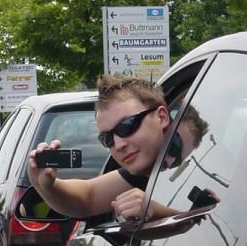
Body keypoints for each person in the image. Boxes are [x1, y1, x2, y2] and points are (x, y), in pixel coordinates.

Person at [28, 74, 206, 222]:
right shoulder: (147, 170)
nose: (118, 144)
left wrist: (157, 213)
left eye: (127, 127)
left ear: (161, 117)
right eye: (107, 138)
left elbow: (218, 227)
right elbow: (87, 198)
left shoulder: (216, 167)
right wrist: (45, 184)